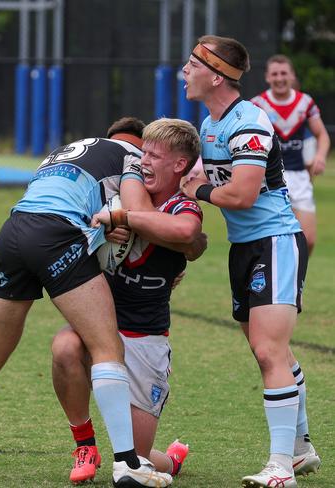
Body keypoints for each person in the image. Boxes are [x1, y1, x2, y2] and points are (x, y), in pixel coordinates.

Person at [0, 117, 174, 488]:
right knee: (106, 346)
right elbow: (146, 216)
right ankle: (126, 465)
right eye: (147, 151)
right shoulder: (131, 157)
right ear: (137, 144)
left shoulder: (66, 153)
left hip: (12, 233)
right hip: (55, 236)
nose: (149, 160)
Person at [181, 35, 318, 487]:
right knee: (272, 351)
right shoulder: (211, 122)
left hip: (275, 241)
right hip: (244, 248)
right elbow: (207, 175)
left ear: (216, 75)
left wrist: (196, 191)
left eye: (192, 64)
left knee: (268, 351)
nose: (184, 70)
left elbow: (239, 194)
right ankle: (300, 450)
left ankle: (281, 467)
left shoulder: (250, 122)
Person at [54, 118, 205, 484]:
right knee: (63, 346)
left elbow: (188, 235)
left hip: (146, 341)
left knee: (137, 459)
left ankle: (171, 460)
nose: (143, 161)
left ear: (179, 165)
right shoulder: (114, 193)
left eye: (153, 155)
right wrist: (105, 226)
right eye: (142, 154)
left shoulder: (182, 207)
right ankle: (84, 445)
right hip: (101, 328)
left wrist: (126, 218)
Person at [251, 54, 330, 256]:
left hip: (299, 177)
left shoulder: (305, 103)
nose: (279, 78)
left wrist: (320, 156)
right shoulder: (257, 105)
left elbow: (322, 135)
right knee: (268, 240)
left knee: (308, 240)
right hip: (268, 179)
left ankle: (296, 280)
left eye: (284, 73)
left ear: (292, 76)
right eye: (275, 74)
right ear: (268, 77)